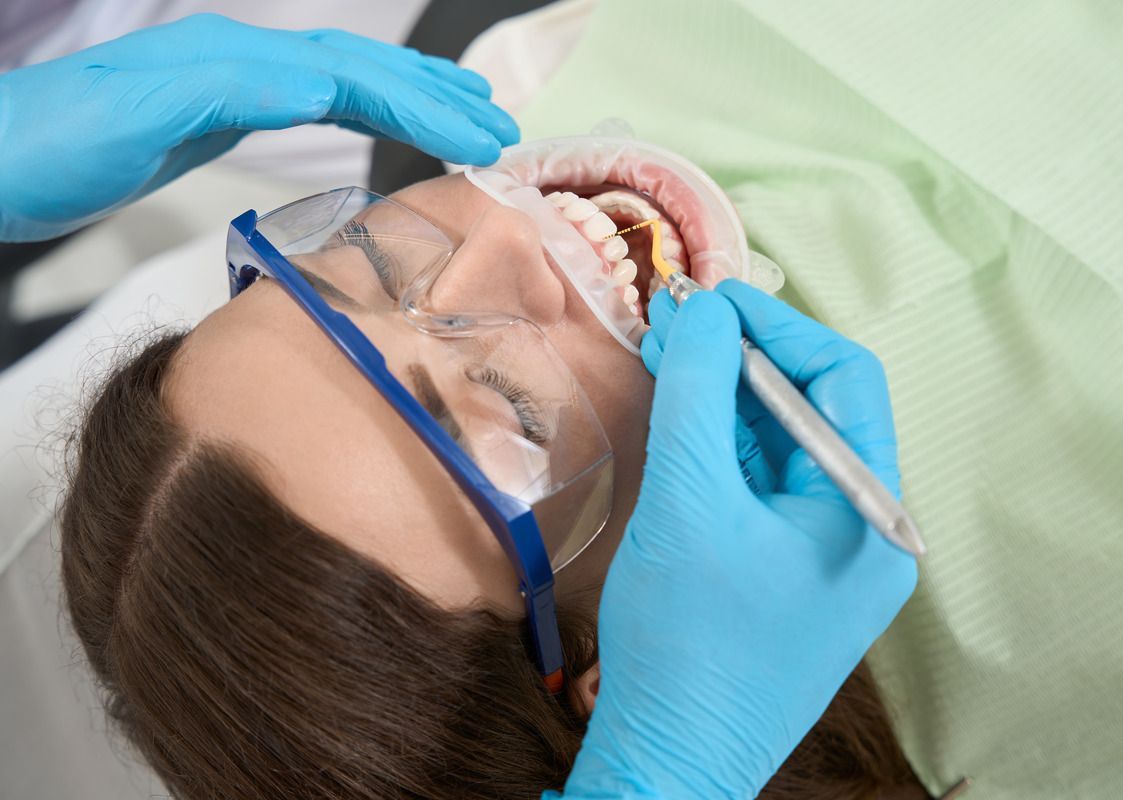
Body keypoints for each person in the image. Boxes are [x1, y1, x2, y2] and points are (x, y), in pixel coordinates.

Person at [2, 12, 918, 800]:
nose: (507, 234)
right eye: (510, 405)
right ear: (617, 660)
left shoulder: (518, 51)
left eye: (370, 259)